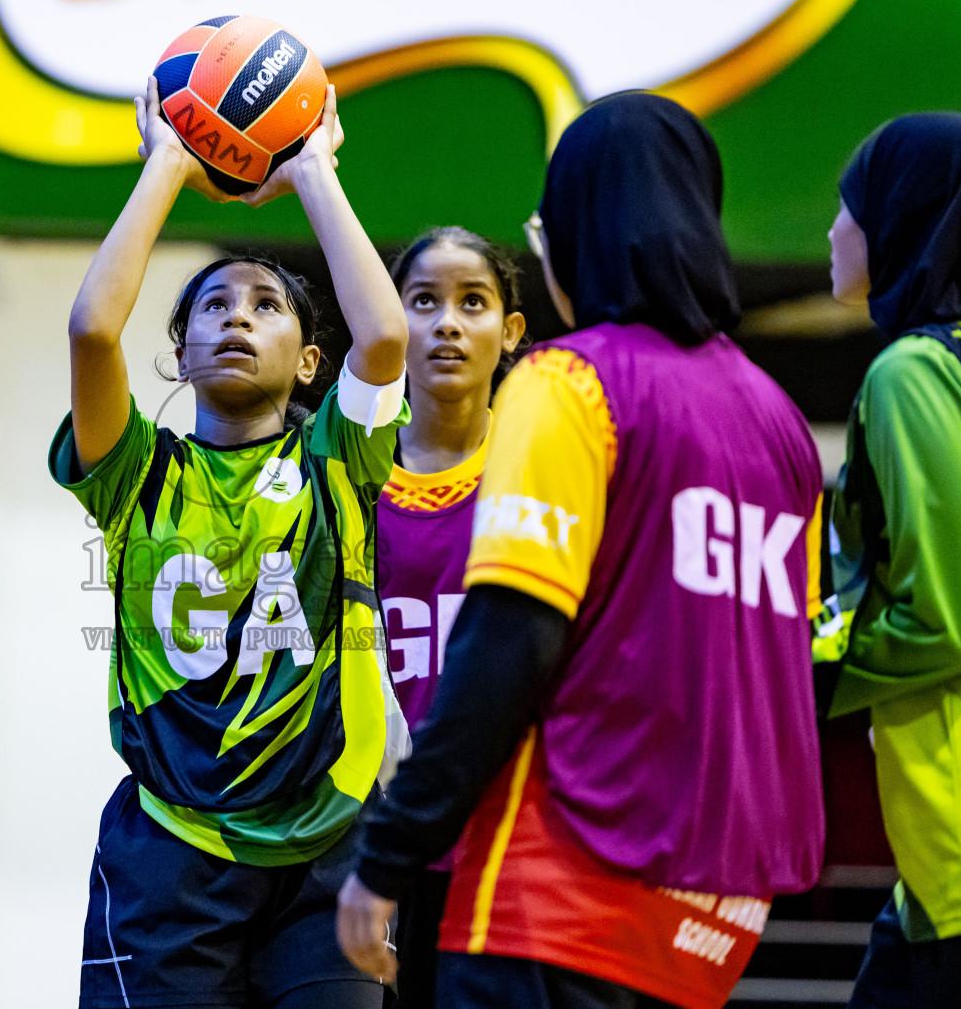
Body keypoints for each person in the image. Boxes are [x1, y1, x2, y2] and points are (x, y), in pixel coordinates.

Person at [335, 92, 826, 1009]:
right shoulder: (781, 425)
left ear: (578, 230)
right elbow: (786, 663)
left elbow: (507, 644)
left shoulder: (570, 383)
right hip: (713, 913)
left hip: (559, 896)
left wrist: (391, 848)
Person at [52, 78, 409, 1009]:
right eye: (213, 306)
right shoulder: (135, 474)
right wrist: (169, 160)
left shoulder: (341, 453)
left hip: (328, 846)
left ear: (309, 362)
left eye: (265, 306)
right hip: (172, 854)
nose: (237, 317)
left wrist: (312, 170)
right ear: (179, 353)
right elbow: (93, 328)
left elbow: (385, 334)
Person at [819, 112, 961, 1009]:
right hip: (949, 861)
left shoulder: (915, 374)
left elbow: (945, 623)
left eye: (849, 203)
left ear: (903, 214)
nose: (831, 229)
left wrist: (795, 679)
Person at [376, 226, 525, 1008]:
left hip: (509, 846)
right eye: (424, 301)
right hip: (379, 846)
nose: (448, 323)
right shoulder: (348, 475)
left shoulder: (541, 472)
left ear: (510, 332)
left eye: (474, 302)